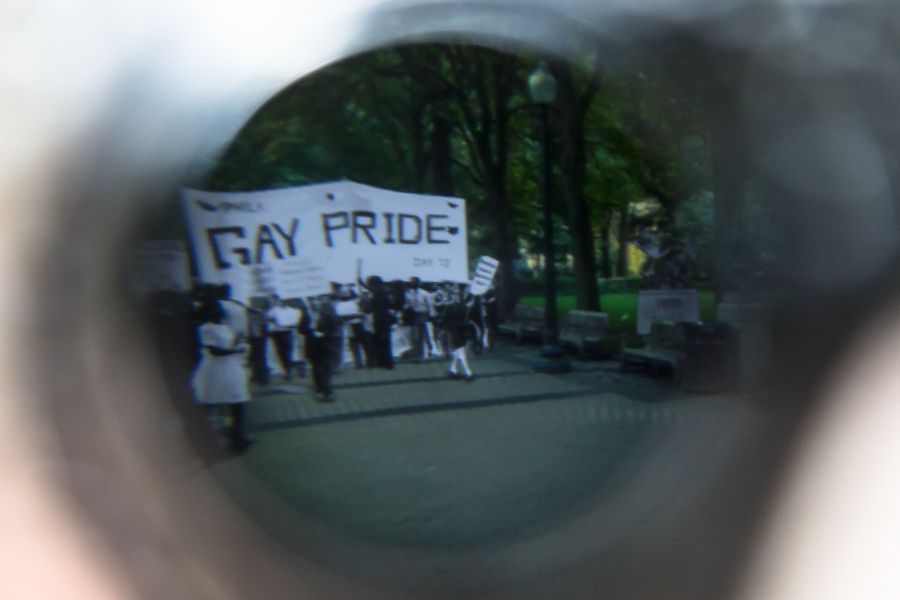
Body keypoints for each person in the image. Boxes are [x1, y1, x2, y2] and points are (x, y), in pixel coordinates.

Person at [191, 301, 254, 453]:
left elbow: (229, 346)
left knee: (238, 403)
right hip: (214, 370)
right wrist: (234, 351)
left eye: (220, 310)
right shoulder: (205, 329)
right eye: (217, 310)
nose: (221, 312)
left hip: (230, 369)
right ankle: (207, 441)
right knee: (211, 404)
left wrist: (239, 344)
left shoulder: (226, 327)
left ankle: (238, 438)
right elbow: (214, 351)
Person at [299, 296, 340, 402]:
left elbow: (334, 328)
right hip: (312, 346)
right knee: (316, 370)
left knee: (326, 369)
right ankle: (320, 389)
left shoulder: (328, 313)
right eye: (311, 300)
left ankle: (327, 391)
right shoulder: (306, 314)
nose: (314, 303)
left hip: (326, 346)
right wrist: (309, 328)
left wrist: (324, 333)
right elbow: (300, 329)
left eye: (316, 300)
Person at [357, 274, 395, 369]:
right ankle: (383, 361)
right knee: (381, 340)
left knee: (383, 340)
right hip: (381, 318)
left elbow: (373, 292)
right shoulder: (381, 291)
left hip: (381, 319)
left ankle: (386, 362)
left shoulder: (380, 291)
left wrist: (362, 284)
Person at [266, 294, 303, 381]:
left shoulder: (289, 310)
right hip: (277, 333)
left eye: (274, 300)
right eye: (271, 301)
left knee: (287, 352)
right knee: (281, 353)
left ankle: (289, 370)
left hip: (286, 332)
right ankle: (286, 370)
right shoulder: (272, 310)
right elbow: (268, 318)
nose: (273, 302)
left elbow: (293, 321)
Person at [440, 295, 474, 382]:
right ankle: (468, 373)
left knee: (457, 353)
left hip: (453, 334)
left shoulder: (451, 309)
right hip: (460, 335)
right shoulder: (462, 310)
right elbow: (464, 323)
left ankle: (452, 370)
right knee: (461, 355)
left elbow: (444, 323)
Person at [404, 277, 432, 362]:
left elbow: (429, 305)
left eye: (415, 283)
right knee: (415, 336)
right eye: (412, 283)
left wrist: (430, 316)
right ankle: (416, 355)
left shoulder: (424, 293)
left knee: (422, 336)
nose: (413, 284)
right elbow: (407, 304)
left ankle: (422, 356)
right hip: (414, 315)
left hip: (423, 314)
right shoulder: (409, 293)